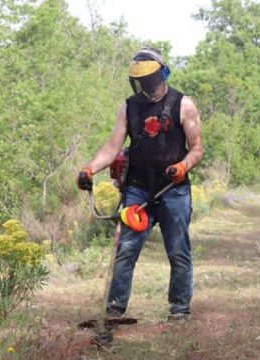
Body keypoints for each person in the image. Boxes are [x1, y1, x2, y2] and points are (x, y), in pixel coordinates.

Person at [76, 47, 203, 322]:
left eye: (150, 79)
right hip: (138, 188)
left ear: (162, 74)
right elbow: (112, 148)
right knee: (127, 247)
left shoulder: (183, 105)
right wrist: (90, 168)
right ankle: (114, 309)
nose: (146, 86)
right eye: (141, 81)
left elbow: (197, 149)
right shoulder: (129, 107)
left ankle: (180, 309)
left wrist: (183, 166)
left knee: (178, 249)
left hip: (173, 189)